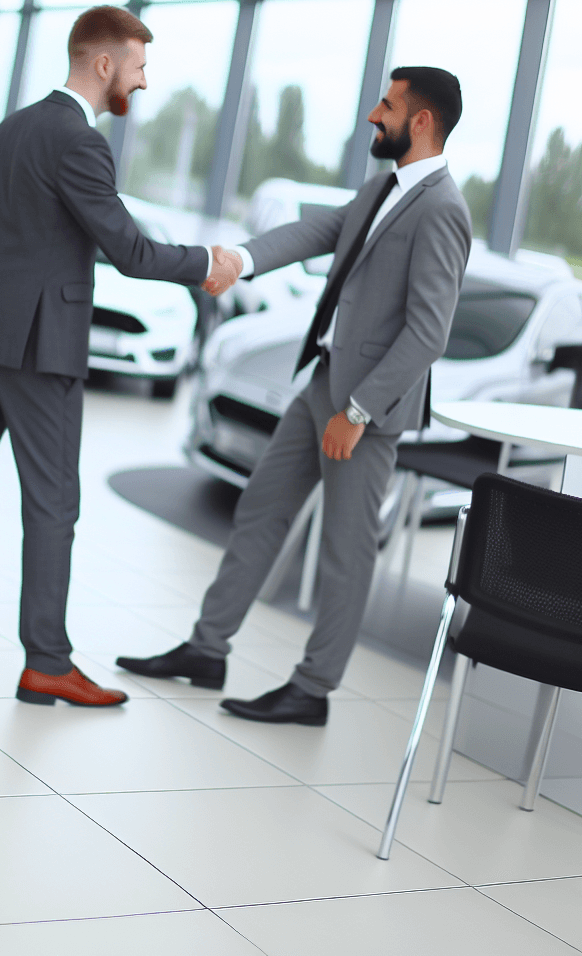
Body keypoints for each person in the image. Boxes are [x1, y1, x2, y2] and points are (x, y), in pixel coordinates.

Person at [0, 6, 237, 707]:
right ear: (104, 63)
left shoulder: (12, 130)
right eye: (139, 67)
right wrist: (208, 261)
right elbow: (131, 251)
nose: (142, 83)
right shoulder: (79, 143)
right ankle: (47, 662)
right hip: (41, 347)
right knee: (54, 505)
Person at [117, 67, 470, 726]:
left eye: (386, 106)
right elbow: (312, 233)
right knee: (260, 511)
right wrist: (236, 260)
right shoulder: (384, 188)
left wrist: (359, 412)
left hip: (362, 410)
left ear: (421, 121)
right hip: (322, 384)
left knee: (344, 549)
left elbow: (427, 334)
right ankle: (206, 647)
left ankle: (313, 688)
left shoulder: (443, 210)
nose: (373, 114)